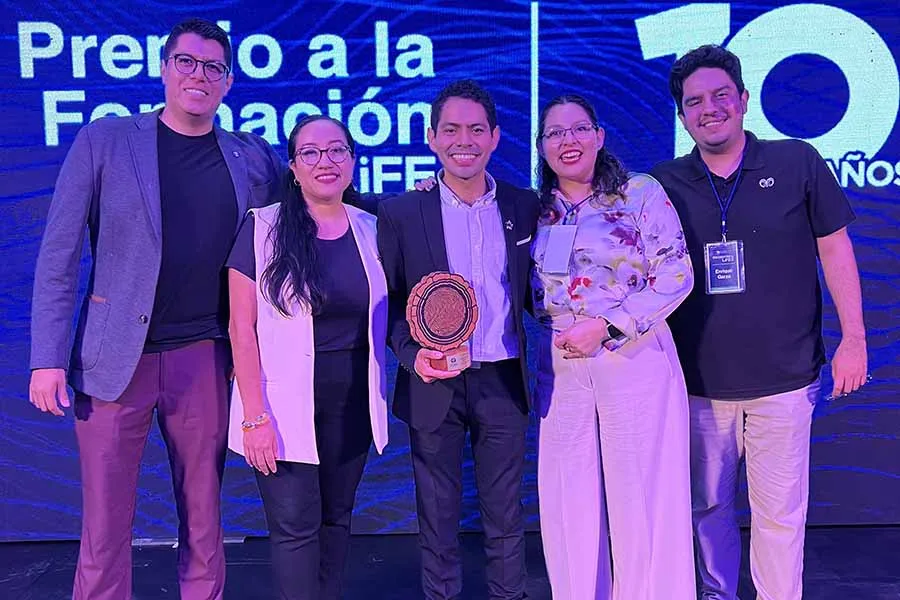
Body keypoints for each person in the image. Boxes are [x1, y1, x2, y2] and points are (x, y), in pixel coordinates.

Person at [27, 18, 283, 600]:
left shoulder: (250, 157)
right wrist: (46, 358)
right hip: (114, 361)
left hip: (205, 357)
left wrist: (409, 198)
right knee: (104, 525)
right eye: (187, 62)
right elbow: (59, 256)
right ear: (165, 69)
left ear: (228, 81)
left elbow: (305, 210)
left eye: (213, 67)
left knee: (204, 518)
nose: (199, 75)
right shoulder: (106, 140)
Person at [650, 45, 868, 600]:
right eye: (694, 101)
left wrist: (854, 339)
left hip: (786, 381)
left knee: (780, 513)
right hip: (696, 386)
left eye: (721, 95)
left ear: (744, 100)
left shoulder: (797, 163)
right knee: (706, 509)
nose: (709, 108)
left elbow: (835, 249)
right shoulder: (662, 184)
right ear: (682, 116)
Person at [376, 79, 539, 600]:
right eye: (450, 130)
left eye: (475, 129)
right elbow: (390, 303)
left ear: (495, 137)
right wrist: (412, 356)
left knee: (506, 514)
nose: (462, 141)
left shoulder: (525, 205)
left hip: (503, 379)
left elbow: (542, 288)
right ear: (431, 137)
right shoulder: (403, 212)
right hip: (434, 381)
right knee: (437, 515)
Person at [530, 94, 696, 599]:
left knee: (642, 493)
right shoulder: (535, 210)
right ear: (541, 146)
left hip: (633, 352)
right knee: (567, 497)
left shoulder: (639, 193)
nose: (568, 141)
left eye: (579, 129)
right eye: (555, 133)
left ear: (599, 136)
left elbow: (677, 273)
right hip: (560, 363)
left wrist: (607, 326)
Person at [226, 114, 388, 600]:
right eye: (311, 153)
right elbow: (241, 329)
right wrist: (255, 416)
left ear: (352, 161)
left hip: (352, 407)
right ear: (293, 167)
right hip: (280, 411)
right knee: (295, 528)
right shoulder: (261, 228)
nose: (325, 161)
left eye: (337, 150)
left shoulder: (373, 229)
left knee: (336, 520)